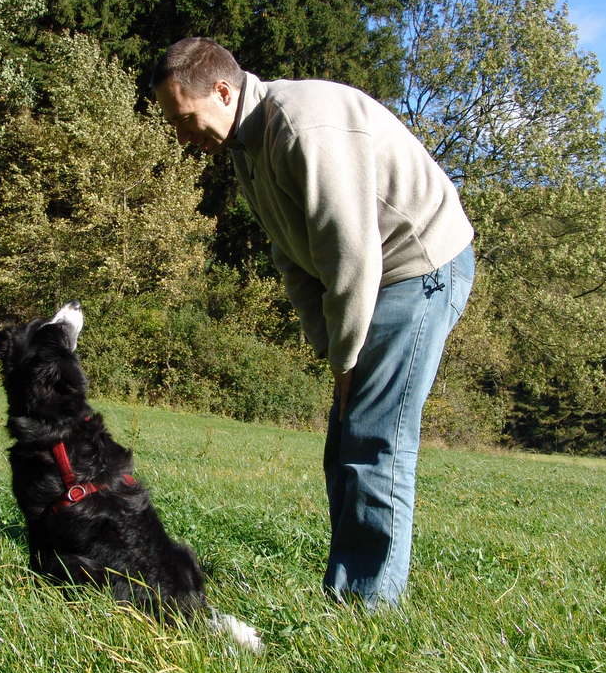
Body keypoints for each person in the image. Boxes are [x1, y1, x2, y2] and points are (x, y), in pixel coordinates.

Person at [151, 37, 475, 608]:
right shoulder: (247, 144)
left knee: (375, 439)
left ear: (223, 92)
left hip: (417, 266)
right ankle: (351, 589)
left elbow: (351, 256)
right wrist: (331, 349)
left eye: (185, 119)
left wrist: (347, 359)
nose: (182, 137)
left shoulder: (302, 128)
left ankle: (366, 610)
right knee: (346, 439)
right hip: (376, 273)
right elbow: (292, 255)